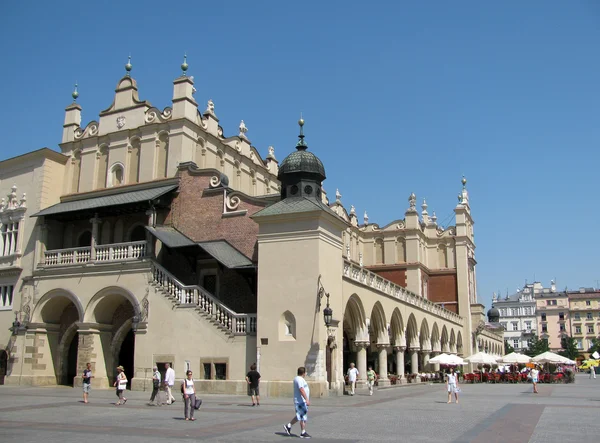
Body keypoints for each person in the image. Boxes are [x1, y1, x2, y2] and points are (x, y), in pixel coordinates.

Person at [283, 366, 311, 439]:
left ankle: (288, 426)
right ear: (303, 373)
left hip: (301, 401)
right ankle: (303, 432)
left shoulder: (298, 379)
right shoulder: (299, 379)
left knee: (300, 416)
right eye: (305, 373)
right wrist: (306, 399)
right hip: (300, 401)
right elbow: (301, 389)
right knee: (302, 417)